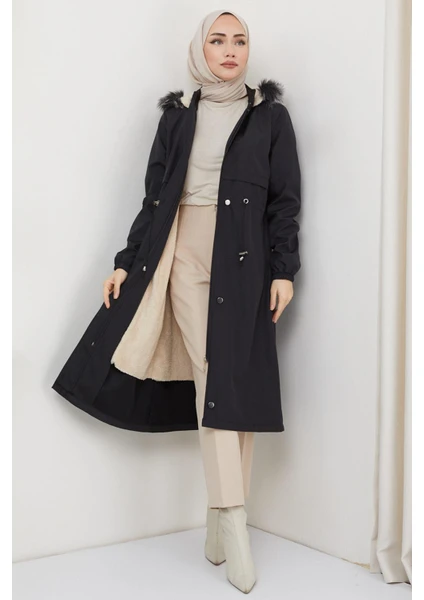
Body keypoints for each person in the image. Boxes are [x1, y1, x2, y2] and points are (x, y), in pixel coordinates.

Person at [52, 9, 301, 595]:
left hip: (245, 258)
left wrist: (284, 269)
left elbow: (284, 201)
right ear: (200, 50)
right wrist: (124, 260)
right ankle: (235, 521)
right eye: (218, 40)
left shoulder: (270, 116)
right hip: (184, 250)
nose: (230, 50)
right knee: (214, 375)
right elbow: (153, 198)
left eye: (239, 40)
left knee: (236, 381)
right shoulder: (178, 116)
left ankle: (218, 518)